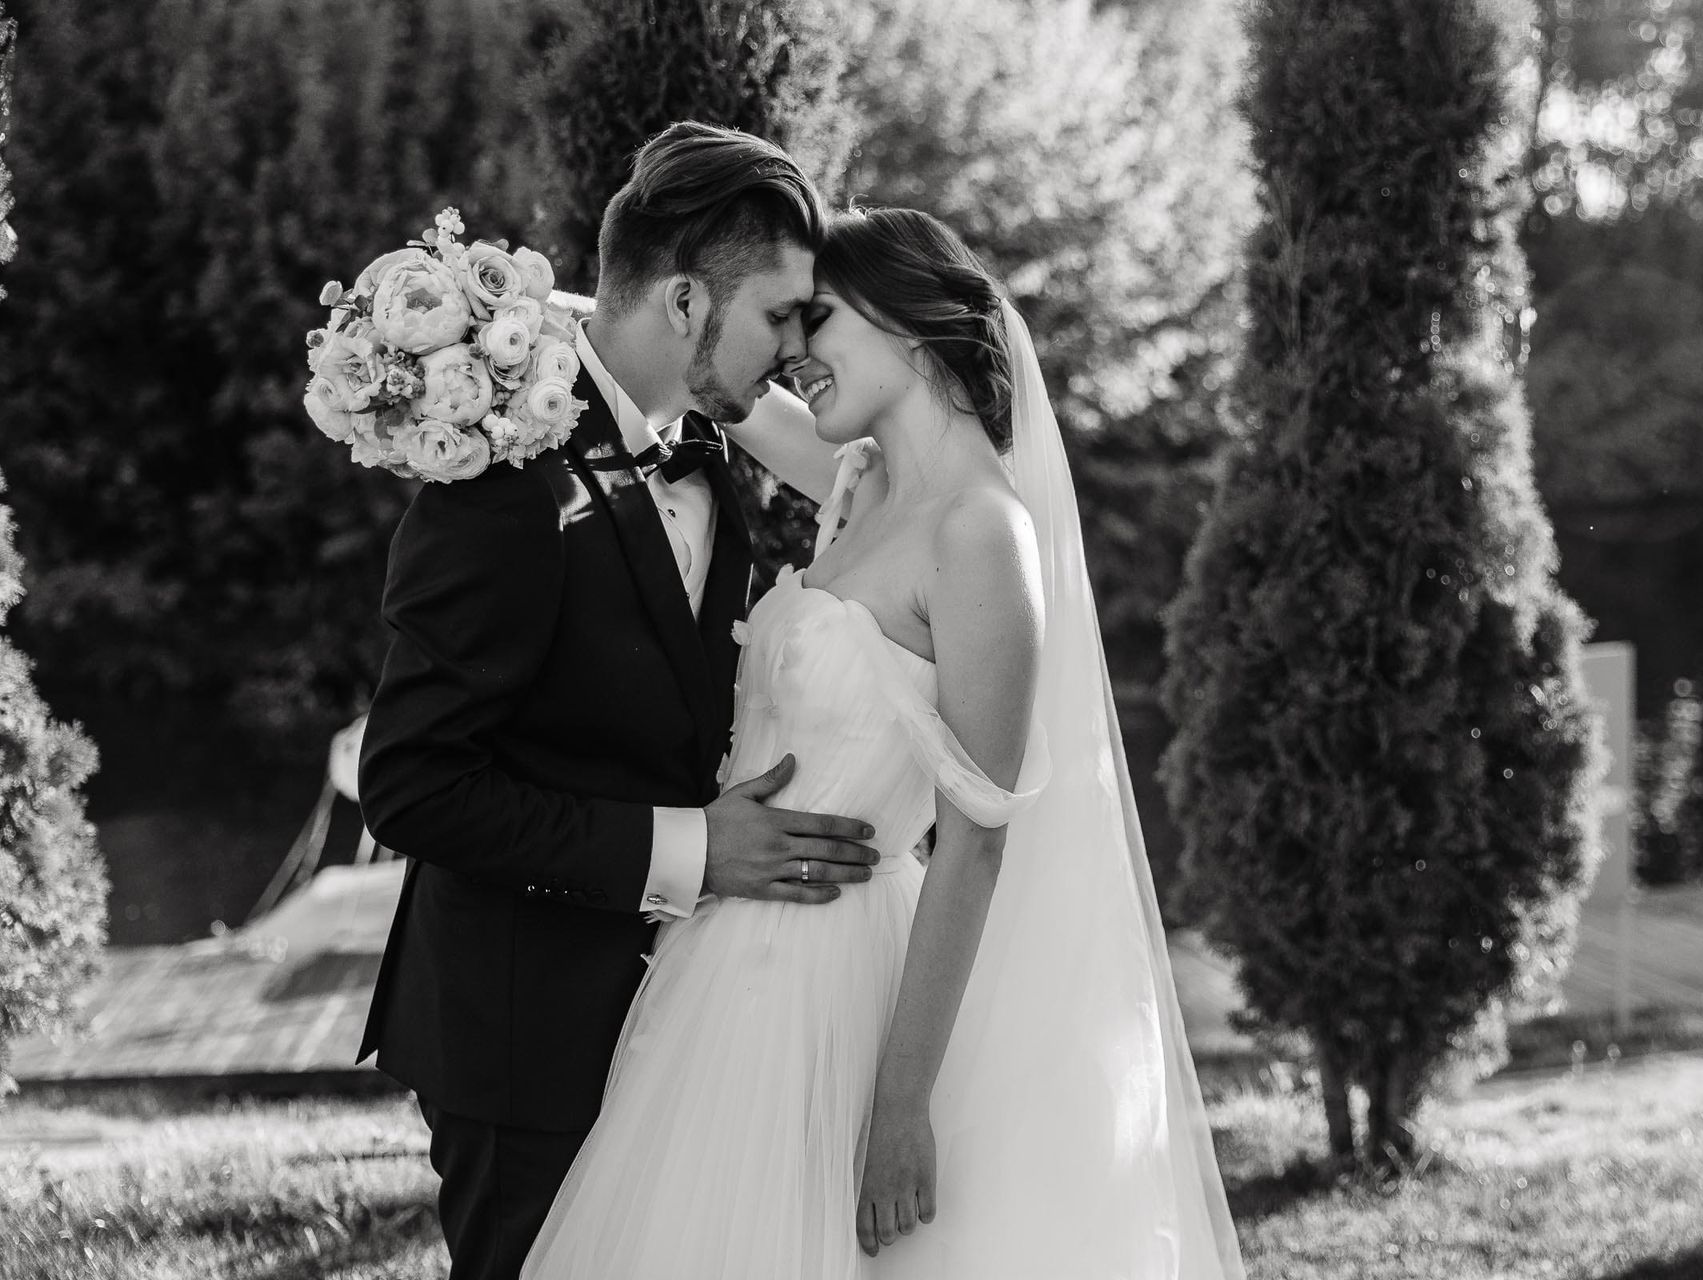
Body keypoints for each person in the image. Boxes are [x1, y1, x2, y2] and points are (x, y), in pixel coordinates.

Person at [522, 207, 1246, 1279]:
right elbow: (677, 367)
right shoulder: (858, 488)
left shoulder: (981, 532)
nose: (793, 352)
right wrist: (505, 312)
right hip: (719, 970)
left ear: (913, 326)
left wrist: (901, 1100)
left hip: (838, 982)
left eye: (816, 320)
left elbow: (979, 839)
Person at [355, 123, 879, 1280]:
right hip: (522, 1034)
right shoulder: (497, 478)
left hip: (683, 1024)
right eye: (782, 314)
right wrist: (694, 850)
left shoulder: (706, 441)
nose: (799, 348)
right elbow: (412, 784)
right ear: (689, 301)